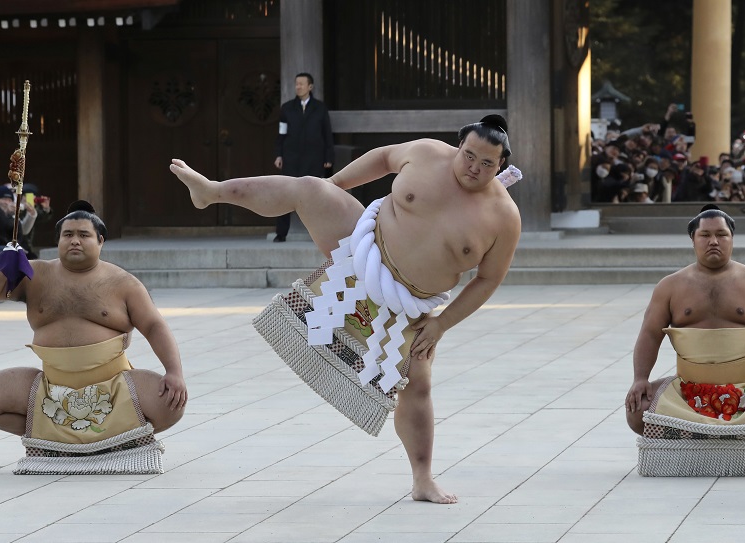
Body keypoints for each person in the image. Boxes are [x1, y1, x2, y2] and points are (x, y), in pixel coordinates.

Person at [171, 114, 521, 504]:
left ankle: (423, 479)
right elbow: (385, 157)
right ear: (460, 146)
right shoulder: (425, 153)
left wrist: (443, 324)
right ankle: (212, 190)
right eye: (469, 155)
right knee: (308, 188)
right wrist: (335, 185)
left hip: (409, 305)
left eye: (486, 164)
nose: (473, 167)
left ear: (501, 166)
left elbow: (488, 279)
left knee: (416, 386)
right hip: (361, 251)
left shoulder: (504, 217)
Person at [0, 201, 187, 466]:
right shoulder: (35, 274)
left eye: (84, 235)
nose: (75, 241)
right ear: (58, 240)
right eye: (68, 235)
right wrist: (5, 261)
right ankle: (53, 439)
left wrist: (174, 371)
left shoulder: (123, 283)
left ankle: (113, 438)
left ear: (100, 241)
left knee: (171, 404)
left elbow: (154, 326)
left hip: (113, 386)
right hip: (51, 388)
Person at [625, 205, 745, 437]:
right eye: (705, 235)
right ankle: (732, 436)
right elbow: (650, 335)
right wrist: (640, 378)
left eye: (721, 235)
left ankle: (701, 436)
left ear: (732, 239)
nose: (714, 241)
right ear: (693, 239)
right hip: (687, 391)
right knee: (637, 408)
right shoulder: (669, 286)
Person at [272, 72, 334, 242]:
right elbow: (281, 134)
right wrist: (279, 154)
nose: (298, 87)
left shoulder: (320, 108)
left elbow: (327, 134)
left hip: (314, 158)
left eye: (301, 84)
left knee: (315, 196)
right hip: (291, 157)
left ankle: (319, 234)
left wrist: (329, 156)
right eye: (296, 84)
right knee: (285, 195)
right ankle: (281, 233)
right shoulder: (287, 108)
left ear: (310, 87)